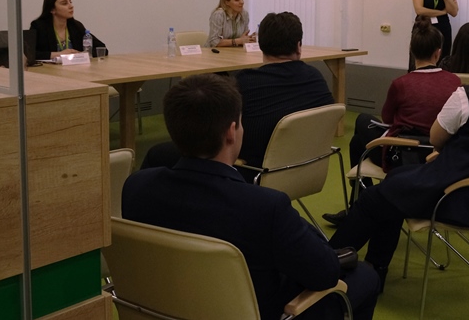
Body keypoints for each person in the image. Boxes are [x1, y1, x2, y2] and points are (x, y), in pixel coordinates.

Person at [122, 74, 378, 320]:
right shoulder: (265, 206)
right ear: (232, 132)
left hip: (162, 308)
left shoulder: (136, 187)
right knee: (365, 277)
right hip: (256, 311)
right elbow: (324, 273)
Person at [328, 35, 469, 291]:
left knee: (375, 198)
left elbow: (436, 138)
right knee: (394, 185)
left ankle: (327, 266)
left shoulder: (468, 98)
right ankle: (374, 271)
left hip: (455, 194)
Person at [322, 16, 461, 226]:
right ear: (438, 52)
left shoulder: (401, 83)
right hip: (438, 156)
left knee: (362, 123)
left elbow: (387, 118)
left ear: (411, 51)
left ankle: (358, 206)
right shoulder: (454, 81)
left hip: (402, 155)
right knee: (357, 141)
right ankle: (359, 206)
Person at [235, 11, 334, 182]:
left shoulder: (245, 83)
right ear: (298, 46)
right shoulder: (316, 78)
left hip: (255, 173)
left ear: (261, 45)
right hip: (310, 168)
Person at [30, 0, 106, 60]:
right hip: (48, 69)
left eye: (70, 2)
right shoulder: (39, 27)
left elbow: (102, 48)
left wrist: (80, 55)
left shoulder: (76, 26)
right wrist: (58, 54)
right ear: (52, 10)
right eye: (64, 3)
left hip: (74, 68)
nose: (71, 6)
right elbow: (30, 54)